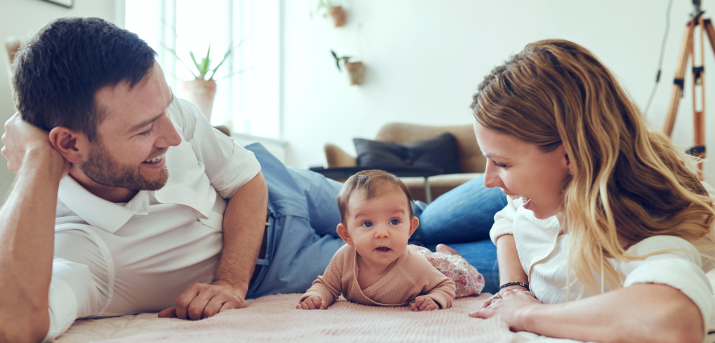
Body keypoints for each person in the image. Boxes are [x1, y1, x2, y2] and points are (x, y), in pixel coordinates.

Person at [0, 17, 507, 343]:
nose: (173, 137)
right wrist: (39, 164)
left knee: (421, 217)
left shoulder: (161, 113)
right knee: (434, 257)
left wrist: (227, 282)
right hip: (278, 262)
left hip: (275, 183)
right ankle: (562, 238)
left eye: (166, 110)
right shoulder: (78, 248)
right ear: (67, 144)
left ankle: (561, 178)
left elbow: (245, 180)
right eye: (144, 130)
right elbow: (14, 324)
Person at [463, 39, 715, 343]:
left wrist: (522, 313)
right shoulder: (545, 191)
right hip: (522, 244)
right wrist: (512, 288)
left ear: (571, 156)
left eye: (501, 163)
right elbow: (507, 217)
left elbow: (674, 321)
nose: (488, 179)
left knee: (411, 248)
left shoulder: (639, 226)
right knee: (422, 223)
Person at [297, 170, 460, 311]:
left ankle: (451, 256)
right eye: (367, 223)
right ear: (347, 235)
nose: (382, 233)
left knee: (461, 274)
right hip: (419, 255)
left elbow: (446, 285)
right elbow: (327, 285)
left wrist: (435, 299)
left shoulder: (415, 266)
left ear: (410, 228)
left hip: (437, 266)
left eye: (394, 221)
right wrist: (316, 295)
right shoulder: (344, 258)